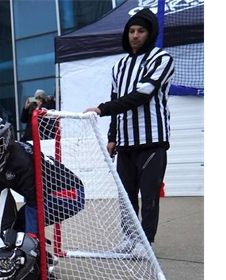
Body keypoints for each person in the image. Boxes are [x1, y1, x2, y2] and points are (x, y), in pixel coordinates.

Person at [84, 7, 174, 245]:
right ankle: (130, 239)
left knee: (149, 195)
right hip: (125, 142)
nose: (135, 35)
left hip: (152, 140)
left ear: (150, 33)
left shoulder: (162, 59)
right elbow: (117, 101)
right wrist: (112, 137)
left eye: (141, 31)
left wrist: (102, 108)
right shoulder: (119, 66)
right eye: (132, 31)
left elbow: (143, 93)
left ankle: (146, 242)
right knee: (126, 196)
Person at [0, 116, 85, 280]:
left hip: (68, 194)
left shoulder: (21, 162)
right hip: (47, 196)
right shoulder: (1, 157)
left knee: (23, 233)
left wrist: (30, 239)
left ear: (5, 141)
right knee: (18, 229)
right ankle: (43, 262)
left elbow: (34, 204)